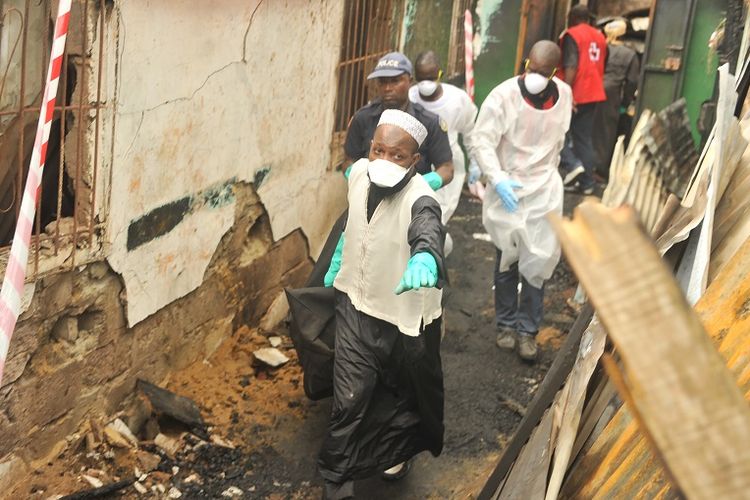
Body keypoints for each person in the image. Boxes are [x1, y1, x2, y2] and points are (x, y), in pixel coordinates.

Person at [319, 109, 446, 499]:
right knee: (349, 399)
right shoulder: (359, 174)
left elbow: (427, 228)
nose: (385, 160)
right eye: (379, 150)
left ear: (415, 161)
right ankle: (337, 483)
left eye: (397, 155)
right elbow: (353, 221)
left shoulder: (421, 197)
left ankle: (395, 452)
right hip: (356, 308)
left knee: (400, 395)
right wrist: (340, 256)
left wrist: (426, 256)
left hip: (404, 320)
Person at [472, 41, 572, 362]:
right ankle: (505, 325)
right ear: (525, 63)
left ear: (555, 72)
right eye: (533, 69)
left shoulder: (565, 96)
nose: (536, 77)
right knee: (507, 258)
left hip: (544, 191)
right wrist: (497, 178)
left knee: (538, 263)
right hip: (509, 188)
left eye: (544, 73)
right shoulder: (502, 96)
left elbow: (558, 141)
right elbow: (482, 141)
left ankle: (528, 331)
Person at [344, 52, 454, 192]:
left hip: (411, 202)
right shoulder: (363, 118)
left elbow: (447, 168)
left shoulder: (429, 122)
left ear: (410, 80)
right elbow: (348, 159)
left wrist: (424, 184)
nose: (388, 88)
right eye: (382, 82)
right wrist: (354, 174)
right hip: (369, 196)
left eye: (395, 81)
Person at [409, 51, 478, 254]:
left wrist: (475, 161)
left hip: (447, 163)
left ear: (441, 73)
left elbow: (471, 132)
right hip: (417, 161)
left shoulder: (458, 100)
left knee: (439, 212)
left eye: (430, 78)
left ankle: (430, 255)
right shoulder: (410, 97)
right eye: (421, 79)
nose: (425, 84)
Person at [558, 4, 607, 194]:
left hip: (577, 93)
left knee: (556, 131)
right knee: (583, 138)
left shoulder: (572, 34)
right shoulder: (600, 36)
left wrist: (567, 94)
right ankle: (587, 183)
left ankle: (572, 164)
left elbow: (570, 65)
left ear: (572, 17)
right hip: (594, 92)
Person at [592, 19, 639, 177]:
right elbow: (632, 81)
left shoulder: (599, 48)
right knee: (606, 131)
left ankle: (582, 166)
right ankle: (599, 171)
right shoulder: (629, 54)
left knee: (587, 127)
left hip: (592, 89)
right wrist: (625, 102)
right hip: (611, 95)